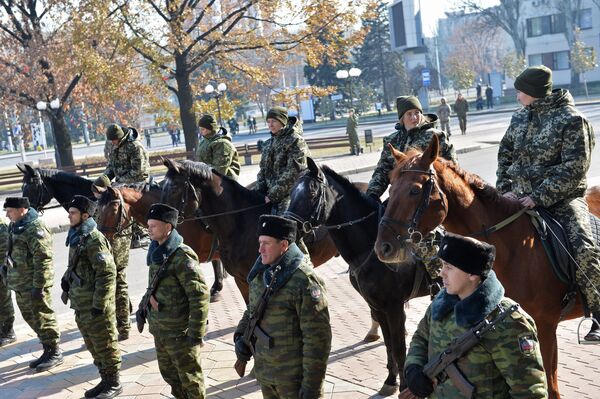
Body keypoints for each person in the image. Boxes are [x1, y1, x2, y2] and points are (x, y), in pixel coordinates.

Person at [497, 65, 600, 342]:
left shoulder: (572, 120)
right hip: (516, 199)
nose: (517, 96)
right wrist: (504, 190)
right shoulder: (519, 118)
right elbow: (504, 157)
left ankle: (598, 313)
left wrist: (539, 196)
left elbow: (574, 168)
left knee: (585, 247)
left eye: (520, 91)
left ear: (533, 92)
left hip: (561, 200)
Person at [404, 233, 548, 398]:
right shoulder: (441, 303)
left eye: (449, 267)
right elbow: (421, 338)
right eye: (443, 264)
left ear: (473, 274)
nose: (441, 272)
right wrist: (413, 368)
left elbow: (530, 391)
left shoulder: (509, 322)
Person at [234, 215, 332, 399]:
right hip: (266, 374)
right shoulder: (261, 273)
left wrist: (312, 386)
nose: (260, 249)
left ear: (284, 245)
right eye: (260, 242)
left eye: (267, 243)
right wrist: (240, 336)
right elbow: (252, 310)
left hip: (294, 380)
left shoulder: (304, 281)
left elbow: (318, 339)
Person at [367, 95, 456, 282]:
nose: (415, 117)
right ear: (401, 118)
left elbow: (451, 169)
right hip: (401, 199)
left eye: (417, 113)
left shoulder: (435, 136)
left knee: (424, 238)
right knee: (379, 225)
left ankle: (438, 281)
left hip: (427, 200)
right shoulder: (392, 140)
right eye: (409, 114)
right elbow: (383, 170)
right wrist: (372, 194)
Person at [144, 203, 210, 398]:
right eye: (148, 225)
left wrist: (196, 334)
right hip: (161, 330)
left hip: (180, 333)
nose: (149, 229)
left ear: (168, 227)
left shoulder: (182, 255)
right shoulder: (156, 251)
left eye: (154, 225)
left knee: (190, 380)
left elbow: (199, 295)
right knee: (171, 376)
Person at [95, 123, 150, 340]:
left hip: (137, 184)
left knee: (125, 203)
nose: (114, 144)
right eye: (112, 142)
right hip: (119, 184)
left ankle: (138, 230)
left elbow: (140, 171)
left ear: (123, 138)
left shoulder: (135, 147)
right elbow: (111, 168)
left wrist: (119, 182)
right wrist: (104, 180)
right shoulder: (114, 148)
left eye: (116, 141)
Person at [63, 196, 122, 399]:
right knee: (92, 344)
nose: (69, 216)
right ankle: (105, 379)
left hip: (96, 305)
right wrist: (66, 280)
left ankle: (114, 382)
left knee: (105, 343)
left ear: (85, 215)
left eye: (73, 213)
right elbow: (75, 264)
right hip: (81, 303)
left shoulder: (93, 239)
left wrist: (99, 305)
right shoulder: (78, 235)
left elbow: (107, 274)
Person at [3, 197, 63, 372]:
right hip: (21, 284)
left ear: (22, 209)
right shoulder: (16, 225)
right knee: (32, 318)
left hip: (34, 285)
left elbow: (44, 259)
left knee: (43, 316)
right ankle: (47, 349)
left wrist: (39, 286)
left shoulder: (35, 227)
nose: (7, 215)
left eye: (10, 211)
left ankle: (55, 351)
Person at [195, 114, 241, 301]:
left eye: (204, 129)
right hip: (208, 183)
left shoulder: (223, 143)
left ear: (212, 128)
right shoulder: (204, 141)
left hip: (224, 183)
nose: (202, 131)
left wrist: (199, 171)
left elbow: (220, 168)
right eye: (201, 129)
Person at [256, 106, 309, 215]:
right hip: (271, 192)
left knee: (284, 220)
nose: (270, 125)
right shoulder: (268, 143)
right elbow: (263, 170)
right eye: (268, 121)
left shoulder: (295, 141)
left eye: (274, 121)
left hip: (292, 192)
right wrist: (258, 192)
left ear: (283, 121)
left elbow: (294, 172)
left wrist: (272, 196)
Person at [0, 217, 17, 347]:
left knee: (3, 300)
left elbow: (3, 255)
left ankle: (8, 332)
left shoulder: (2, 229)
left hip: (1, 271)